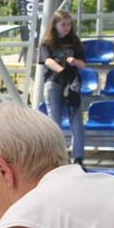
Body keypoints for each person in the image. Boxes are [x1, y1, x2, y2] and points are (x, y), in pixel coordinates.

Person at [39, 9, 86, 170]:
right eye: (63, 24)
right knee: (55, 122)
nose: (66, 27)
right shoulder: (47, 42)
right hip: (54, 82)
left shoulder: (74, 41)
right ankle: (57, 159)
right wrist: (61, 69)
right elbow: (47, 60)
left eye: (69, 24)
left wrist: (74, 62)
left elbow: (82, 63)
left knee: (77, 121)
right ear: (55, 25)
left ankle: (78, 158)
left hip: (71, 84)